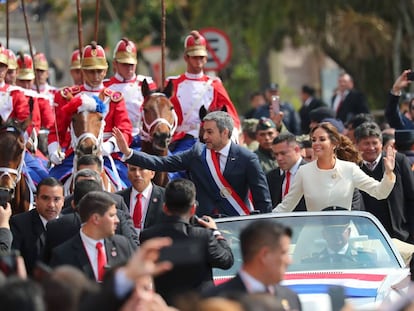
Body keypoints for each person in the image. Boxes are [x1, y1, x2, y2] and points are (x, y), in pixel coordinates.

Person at [113, 111, 272, 216]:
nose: (205, 136)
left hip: (237, 222)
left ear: (225, 133)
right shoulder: (197, 153)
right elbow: (162, 163)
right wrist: (129, 153)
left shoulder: (247, 158)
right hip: (205, 224)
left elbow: (262, 199)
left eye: (210, 132)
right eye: (204, 132)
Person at [139, 178, 234, 306]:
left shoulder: (148, 236)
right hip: (199, 305)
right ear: (193, 208)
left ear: (165, 208)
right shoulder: (202, 236)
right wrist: (215, 232)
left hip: (166, 306)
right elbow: (227, 260)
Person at [48, 41, 132, 183]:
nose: (95, 75)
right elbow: (57, 130)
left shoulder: (114, 98)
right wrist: (54, 151)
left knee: (126, 184)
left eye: (99, 71)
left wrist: (109, 146)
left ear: (105, 71)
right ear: (82, 71)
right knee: (50, 184)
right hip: (75, 154)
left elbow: (124, 130)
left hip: (106, 156)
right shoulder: (69, 96)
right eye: (90, 71)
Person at [273, 122, 396, 212]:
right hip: (314, 236)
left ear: (334, 143)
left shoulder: (350, 169)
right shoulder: (304, 172)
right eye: (314, 140)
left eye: (322, 139)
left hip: (344, 235)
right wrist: (260, 221)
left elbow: (380, 192)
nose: (316, 144)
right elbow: (286, 206)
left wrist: (389, 173)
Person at [166, 30, 241, 153]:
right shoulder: (173, 84)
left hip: (210, 140)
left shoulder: (214, 84)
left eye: (201, 57)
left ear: (206, 58)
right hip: (182, 140)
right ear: (186, 58)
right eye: (195, 57)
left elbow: (230, 114)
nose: (198, 61)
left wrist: (232, 133)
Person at [203, 219, 302, 311]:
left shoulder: (290, 298)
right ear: (264, 255)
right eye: (284, 253)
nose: (289, 261)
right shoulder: (213, 301)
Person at [50, 191, 134, 282]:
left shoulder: (122, 246)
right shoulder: (63, 255)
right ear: (96, 219)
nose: (117, 220)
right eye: (112, 215)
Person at [354, 122, 414, 242]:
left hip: (400, 233)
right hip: (366, 235)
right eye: (366, 143)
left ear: (381, 144)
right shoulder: (353, 167)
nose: (371, 148)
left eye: (375, 143)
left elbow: (411, 196)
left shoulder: (398, 161)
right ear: (357, 145)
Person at [104, 38, 157, 149]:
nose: (129, 68)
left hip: (141, 138)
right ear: (115, 64)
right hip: (115, 139)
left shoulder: (146, 84)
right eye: (124, 64)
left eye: (131, 64)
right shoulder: (105, 87)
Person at [10, 177, 64, 275]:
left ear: (63, 201)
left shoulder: (70, 225)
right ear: (36, 200)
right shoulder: (19, 223)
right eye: (45, 198)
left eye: (56, 199)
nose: (51, 205)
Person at [302, 218, 375, 265]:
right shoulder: (311, 262)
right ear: (324, 234)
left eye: (340, 230)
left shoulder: (365, 258)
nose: (336, 235)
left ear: (349, 232)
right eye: (331, 231)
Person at [116, 164, 164, 233]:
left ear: (152, 173)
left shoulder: (165, 197)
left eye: (142, 169)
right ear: (128, 174)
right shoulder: (118, 198)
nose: (137, 174)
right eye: (133, 169)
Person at [266, 133, 307, 211]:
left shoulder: (310, 173)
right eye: (276, 154)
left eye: (283, 153)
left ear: (297, 150)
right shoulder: (271, 176)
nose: (279, 158)